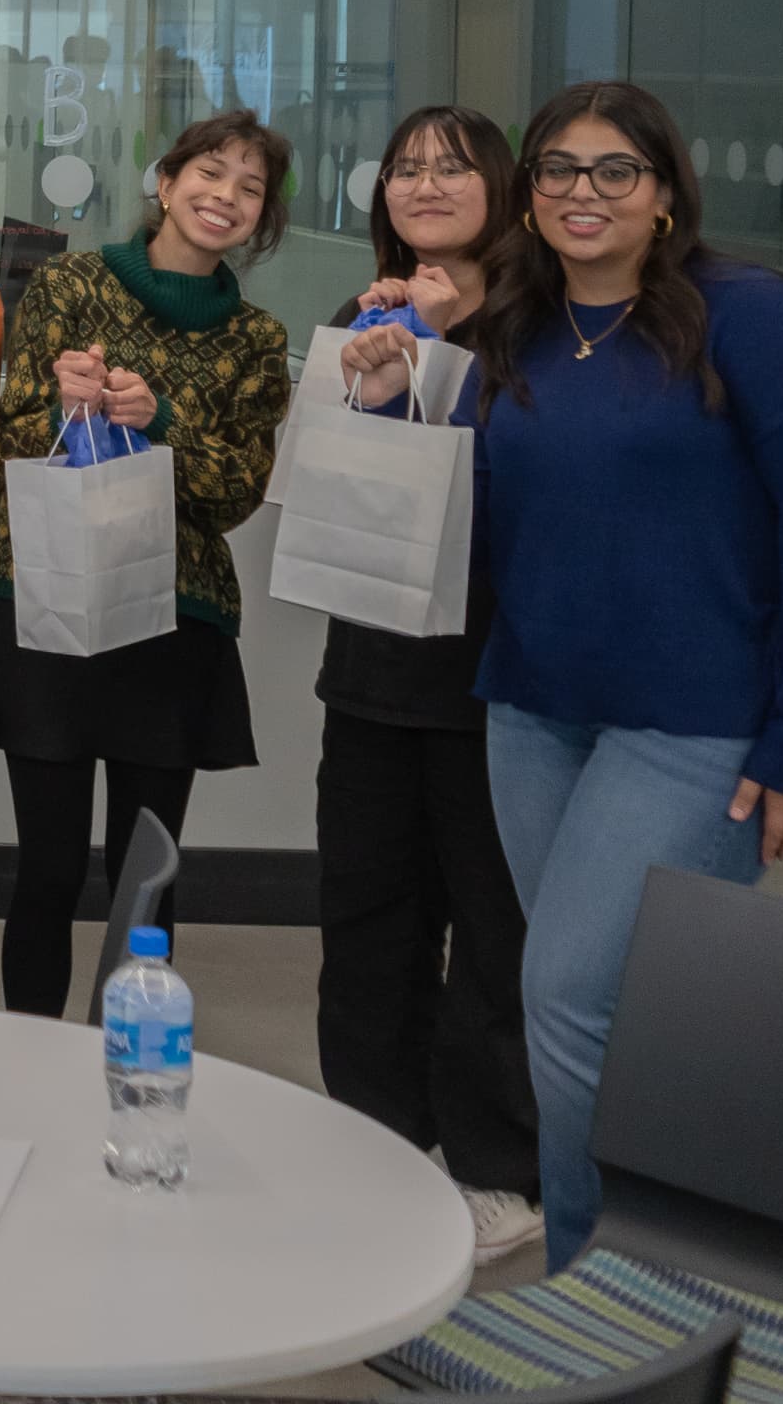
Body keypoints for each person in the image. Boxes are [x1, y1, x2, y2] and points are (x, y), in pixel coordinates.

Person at [345, 81, 783, 1271]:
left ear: (665, 192)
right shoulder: (523, 327)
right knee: (620, 1010)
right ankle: (682, 1246)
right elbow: (471, 520)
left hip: (695, 729)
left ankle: (601, 1276)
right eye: (557, 171)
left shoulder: (749, 317)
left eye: (613, 172)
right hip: (534, 714)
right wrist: (390, 407)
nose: (582, 194)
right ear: (529, 197)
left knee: (573, 995)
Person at [0, 109, 295, 1021]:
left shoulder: (257, 340)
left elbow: (235, 492)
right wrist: (64, 410)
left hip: (175, 619)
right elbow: (10, 438)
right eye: (208, 173)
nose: (224, 197)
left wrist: (157, 421)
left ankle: (123, 1064)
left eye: (249, 187)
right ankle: (30, 1061)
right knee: (46, 865)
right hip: (49, 600)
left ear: (263, 218)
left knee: (145, 878)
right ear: (165, 181)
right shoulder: (72, 283)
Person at [310, 105, 541, 1267]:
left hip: (501, 681)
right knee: (366, 922)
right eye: (407, 167)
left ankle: (497, 1166)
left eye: (453, 166)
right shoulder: (356, 316)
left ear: (501, 189)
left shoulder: (540, 327)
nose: (428, 183)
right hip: (372, 671)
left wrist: (445, 349)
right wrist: (376, 366)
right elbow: (322, 484)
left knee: (493, 933)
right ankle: (372, 1140)